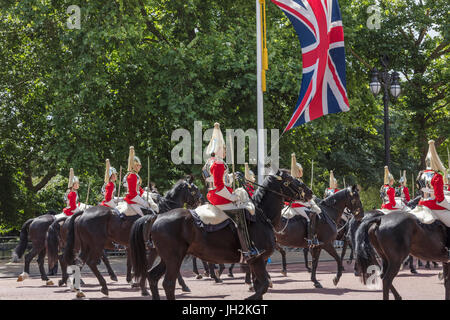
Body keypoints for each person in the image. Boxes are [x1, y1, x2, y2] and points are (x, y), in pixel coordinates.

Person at [202, 123, 263, 262]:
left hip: (213, 194)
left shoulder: (210, 162)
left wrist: (231, 177)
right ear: (217, 150)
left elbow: (219, 181)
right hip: (219, 196)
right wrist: (232, 196)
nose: (225, 152)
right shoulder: (218, 163)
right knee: (241, 216)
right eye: (223, 149)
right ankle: (247, 250)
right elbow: (218, 186)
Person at [285, 153, 321, 246]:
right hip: (296, 204)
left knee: (315, 211)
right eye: (301, 170)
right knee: (311, 216)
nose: (302, 172)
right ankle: (310, 239)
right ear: (298, 171)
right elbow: (300, 196)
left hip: (300, 203)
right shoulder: (294, 182)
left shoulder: (297, 181)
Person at [417, 140, 450, 225]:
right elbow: (440, 197)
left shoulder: (420, 174)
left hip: (421, 204)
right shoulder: (437, 176)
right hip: (433, 206)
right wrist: (447, 205)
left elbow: (419, 189)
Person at [123, 146, 158, 216]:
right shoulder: (132, 176)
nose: (140, 167)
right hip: (132, 201)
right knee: (148, 216)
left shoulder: (135, 175)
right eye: (139, 165)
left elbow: (138, 189)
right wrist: (144, 203)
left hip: (135, 199)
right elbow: (133, 194)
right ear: (135, 166)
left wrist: (149, 194)